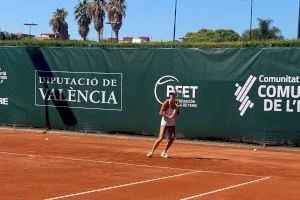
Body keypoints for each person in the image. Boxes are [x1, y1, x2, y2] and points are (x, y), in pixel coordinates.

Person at [147, 90, 179, 158]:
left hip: (172, 122)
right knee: (160, 137)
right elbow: (160, 113)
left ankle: (164, 152)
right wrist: (168, 116)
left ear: (176, 96)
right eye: (171, 94)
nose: (172, 95)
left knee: (172, 138)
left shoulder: (177, 103)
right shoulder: (166, 103)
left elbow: (178, 113)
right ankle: (151, 152)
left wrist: (175, 113)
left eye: (173, 94)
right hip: (164, 121)